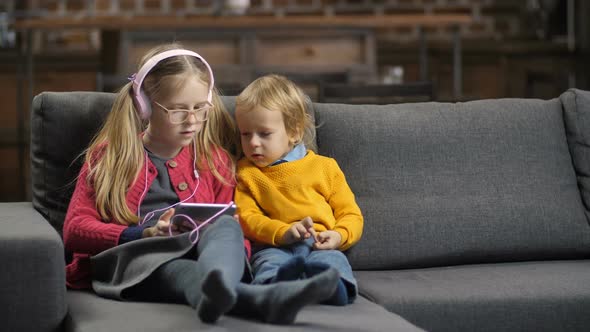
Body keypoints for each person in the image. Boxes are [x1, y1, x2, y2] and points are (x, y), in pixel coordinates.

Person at [63, 44, 340, 325]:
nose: (192, 121)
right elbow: (74, 229)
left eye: (199, 108)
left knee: (228, 225)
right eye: (178, 110)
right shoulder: (111, 155)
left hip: (205, 256)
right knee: (176, 270)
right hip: (136, 259)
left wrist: (234, 260)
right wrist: (143, 234)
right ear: (143, 105)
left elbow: (236, 234)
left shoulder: (214, 160)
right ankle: (259, 298)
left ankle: (224, 285)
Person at [234, 74, 364, 306]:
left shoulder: (324, 167)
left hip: (320, 244)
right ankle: (276, 289)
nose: (253, 143)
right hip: (274, 245)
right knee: (268, 264)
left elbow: (351, 214)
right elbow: (246, 217)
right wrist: (283, 232)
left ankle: (331, 289)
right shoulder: (246, 173)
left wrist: (338, 235)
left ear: (294, 132)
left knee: (334, 263)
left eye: (264, 134)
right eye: (246, 134)